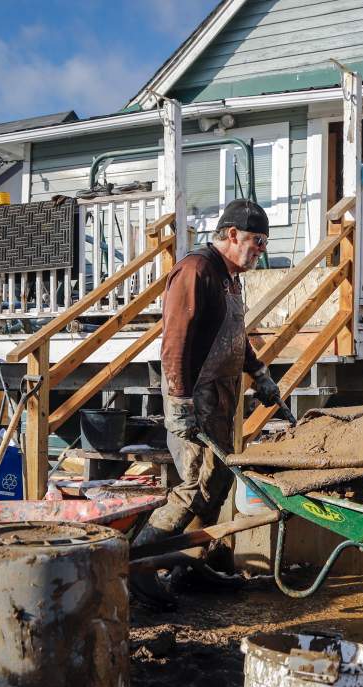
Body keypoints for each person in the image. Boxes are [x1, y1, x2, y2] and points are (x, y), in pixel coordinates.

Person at [130, 199, 281, 610]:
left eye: (264, 242)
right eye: (256, 240)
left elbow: (235, 335)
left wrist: (260, 373)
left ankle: (190, 564)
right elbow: (174, 343)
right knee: (196, 485)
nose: (260, 250)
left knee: (219, 482)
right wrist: (178, 403)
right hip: (194, 398)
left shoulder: (231, 277)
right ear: (231, 234)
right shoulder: (196, 271)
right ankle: (136, 566)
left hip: (221, 398)